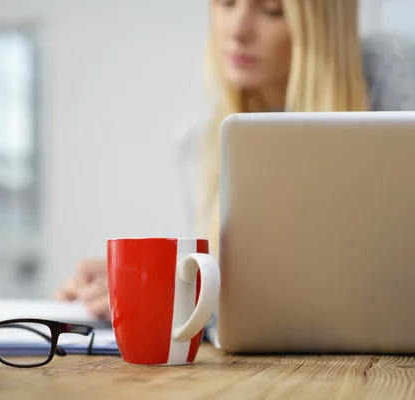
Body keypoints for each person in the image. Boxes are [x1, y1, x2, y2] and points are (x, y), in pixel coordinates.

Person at [54, 0, 415, 320]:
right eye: (225, 3)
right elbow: (245, 297)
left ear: (322, 25)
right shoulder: (198, 144)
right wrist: (150, 285)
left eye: (273, 9)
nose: (237, 30)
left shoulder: (397, 76)